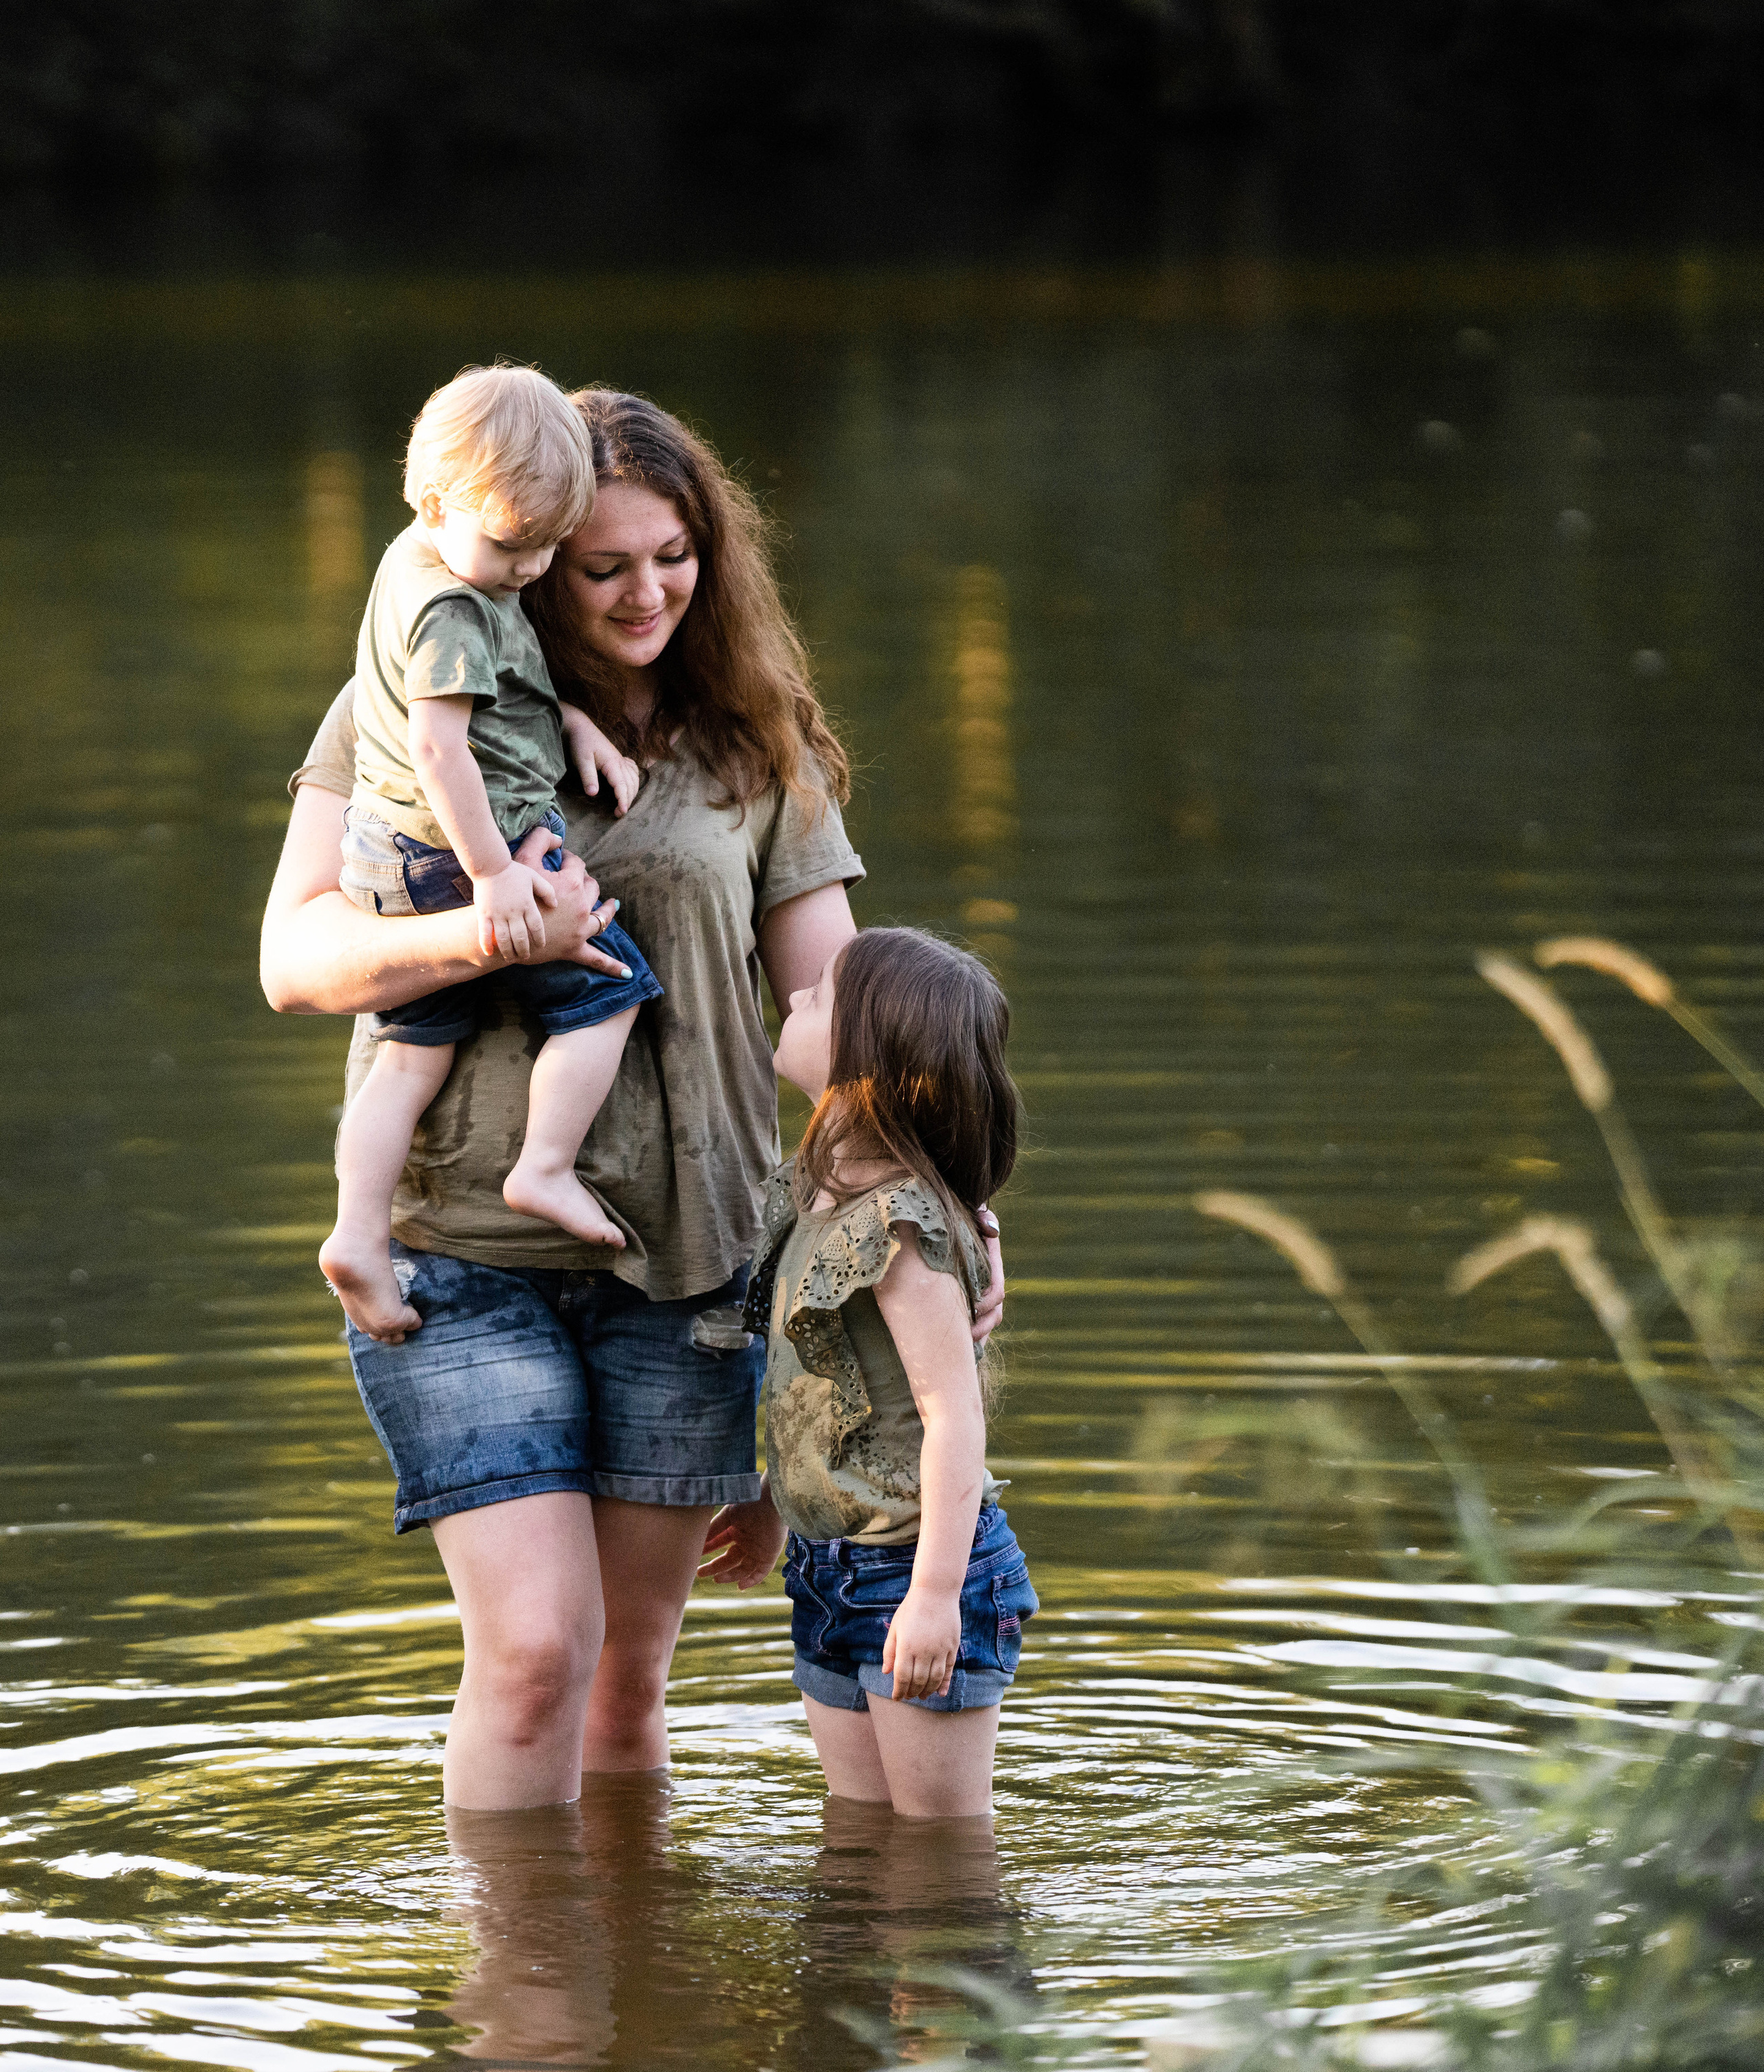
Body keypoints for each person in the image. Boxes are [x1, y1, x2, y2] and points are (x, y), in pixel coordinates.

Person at [260, 388, 1006, 1811]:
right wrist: (479, 935)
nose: (646, 590)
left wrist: (950, 1199)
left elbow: (838, 1014)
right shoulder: (395, 703)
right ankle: (532, 2024)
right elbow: (293, 962)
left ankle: (628, 2002)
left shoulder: (747, 741)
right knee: (536, 1652)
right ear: (525, 553)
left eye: (673, 557)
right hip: (454, 1252)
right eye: (602, 566)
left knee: (626, 1675)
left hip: (686, 1261)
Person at [322, 365, 661, 1347]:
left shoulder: (419, 558)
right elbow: (440, 746)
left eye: (556, 545)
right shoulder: (454, 608)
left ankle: (355, 1232)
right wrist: (495, 879)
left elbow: (494, 696)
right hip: (453, 852)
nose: (533, 567)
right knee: (615, 993)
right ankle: (545, 1165)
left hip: (389, 856)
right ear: (436, 502)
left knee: (409, 1058)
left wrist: (570, 723)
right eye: (518, 545)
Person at [699, 927, 1036, 1818]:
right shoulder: (810, 1192)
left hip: (917, 1571)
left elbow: (952, 1419)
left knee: (941, 1854)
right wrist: (777, 1499)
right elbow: (816, 1381)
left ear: (868, 1062)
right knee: (858, 1835)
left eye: (817, 997)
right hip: (826, 1569)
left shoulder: (901, 1233)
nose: (793, 997)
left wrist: (931, 1599)